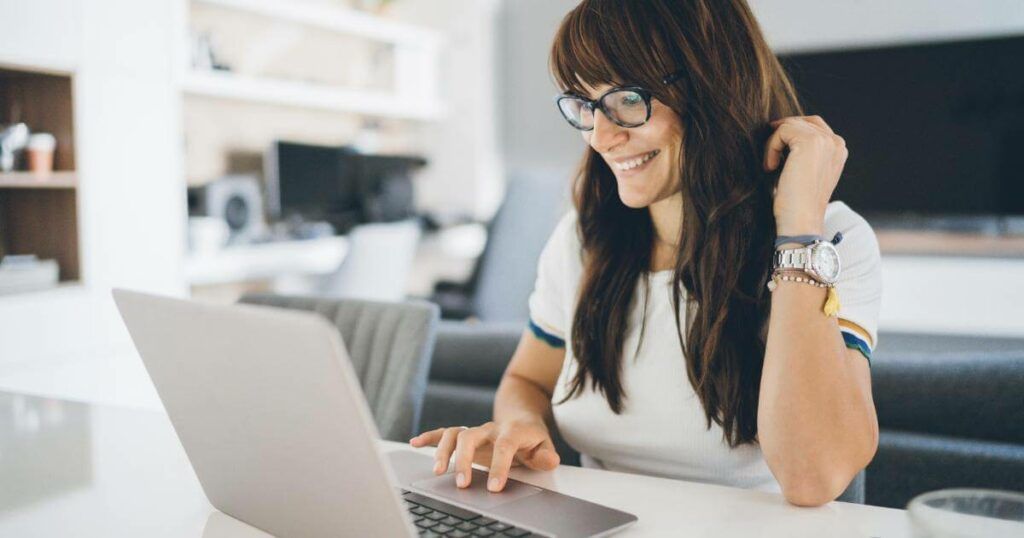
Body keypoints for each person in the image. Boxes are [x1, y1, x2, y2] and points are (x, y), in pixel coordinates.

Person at [411, 0, 881, 507]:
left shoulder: (828, 240)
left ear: (713, 87)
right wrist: (520, 425)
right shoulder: (583, 239)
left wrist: (797, 231)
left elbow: (814, 479)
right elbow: (526, 379)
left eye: (627, 100)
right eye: (586, 106)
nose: (602, 137)